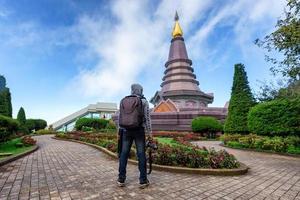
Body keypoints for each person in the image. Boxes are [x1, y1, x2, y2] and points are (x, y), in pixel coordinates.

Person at [117, 83, 152, 189]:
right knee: (141, 155)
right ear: (140, 90)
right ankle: (143, 180)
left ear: (132, 90)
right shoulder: (144, 101)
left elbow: (120, 117)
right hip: (139, 131)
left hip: (126, 131)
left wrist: (119, 132)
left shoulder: (123, 100)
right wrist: (150, 134)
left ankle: (121, 179)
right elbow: (147, 118)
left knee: (124, 154)